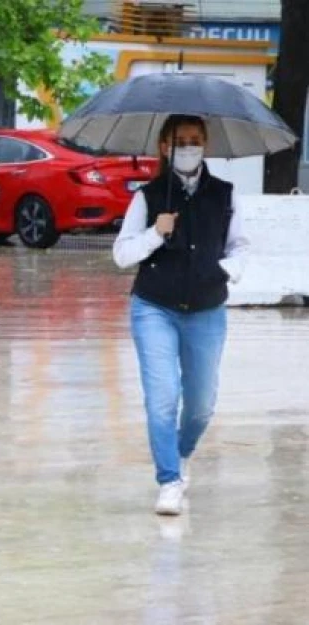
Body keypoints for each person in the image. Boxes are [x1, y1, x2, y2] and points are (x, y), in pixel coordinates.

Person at [113, 114, 249, 516]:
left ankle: (181, 451)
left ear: (205, 145)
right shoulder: (148, 196)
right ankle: (169, 480)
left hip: (207, 309)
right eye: (179, 141)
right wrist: (156, 233)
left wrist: (228, 270)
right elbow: (121, 255)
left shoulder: (225, 194)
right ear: (163, 147)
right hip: (155, 307)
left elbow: (239, 246)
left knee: (202, 404)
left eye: (194, 140)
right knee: (162, 400)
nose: (187, 148)